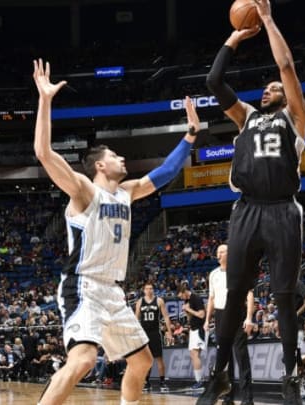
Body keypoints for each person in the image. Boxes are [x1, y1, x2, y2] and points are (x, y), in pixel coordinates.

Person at [32, 59, 201, 405]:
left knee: (140, 361)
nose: (122, 159)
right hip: (84, 286)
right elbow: (43, 153)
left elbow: (167, 172)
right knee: (83, 360)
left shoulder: (128, 192)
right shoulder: (82, 190)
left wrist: (190, 135)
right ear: (99, 165)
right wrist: (45, 100)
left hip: (114, 292)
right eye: (115, 155)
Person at [199, 0, 305, 403]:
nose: (268, 91)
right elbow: (214, 81)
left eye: (273, 90)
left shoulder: (295, 118)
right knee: (233, 291)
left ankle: (290, 376)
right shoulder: (245, 116)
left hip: (282, 208)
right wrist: (235, 37)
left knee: (282, 295)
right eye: (265, 90)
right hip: (246, 210)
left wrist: (265, 19)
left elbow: (287, 68)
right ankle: (219, 374)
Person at [205, 244, 254, 405]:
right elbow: (211, 299)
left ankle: (247, 399)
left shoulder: (239, 271)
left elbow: (249, 294)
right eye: (217, 251)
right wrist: (207, 320)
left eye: (222, 251)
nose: (218, 254)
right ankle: (228, 396)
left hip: (237, 313)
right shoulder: (213, 274)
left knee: (241, 357)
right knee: (225, 360)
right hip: (220, 316)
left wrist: (248, 318)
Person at [134, 281, 174, 393]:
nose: (149, 290)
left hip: (155, 333)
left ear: (153, 289)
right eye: (147, 288)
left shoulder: (159, 300)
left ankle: (162, 382)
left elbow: (166, 317)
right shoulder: (139, 302)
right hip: (143, 334)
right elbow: (136, 319)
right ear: (144, 290)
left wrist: (169, 332)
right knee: (146, 360)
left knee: (159, 358)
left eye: (151, 288)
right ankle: (146, 382)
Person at [176, 283, 207, 391]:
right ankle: (199, 380)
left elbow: (202, 314)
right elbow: (191, 318)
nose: (181, 298)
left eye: (181, 296)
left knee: (195, 354)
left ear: (184, 292)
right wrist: (186, 312)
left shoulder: (196, 298)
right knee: (193, 355)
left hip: (200, 329)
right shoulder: (187, 301)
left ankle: (200, 382)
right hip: (193, 329)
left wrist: (188, 309)